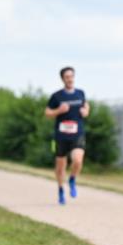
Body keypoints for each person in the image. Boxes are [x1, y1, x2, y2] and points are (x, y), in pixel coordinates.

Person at [45, 66, 89, 205]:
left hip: (77, 133)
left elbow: (87, 106)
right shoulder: (57, 96)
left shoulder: (80, 93)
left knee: (77, 160)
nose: (70, 79)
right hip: (61, 136)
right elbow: (47, 113)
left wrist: (85, 111)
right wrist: (59, 110)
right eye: (67, 77)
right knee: (60, 167)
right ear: (63, 79)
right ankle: (60, 190)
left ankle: (72, 179)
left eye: (71, 76)